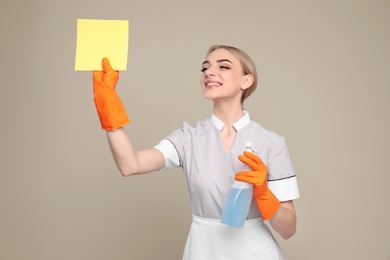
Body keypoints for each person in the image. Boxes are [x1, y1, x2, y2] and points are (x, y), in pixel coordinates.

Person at [92, 45, 299, 259]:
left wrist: (265, 195)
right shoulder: (187, 138)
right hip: (203, 251)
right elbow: (130, 165)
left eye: (224, 67)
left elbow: (288, 230)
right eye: (205, 68)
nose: (209, 72)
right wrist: (107, 104)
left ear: (246, 81)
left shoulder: (272, 143)